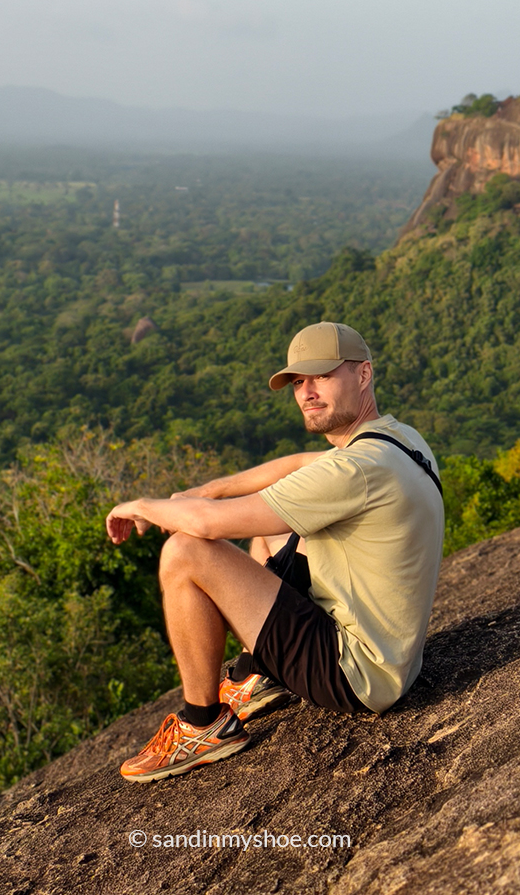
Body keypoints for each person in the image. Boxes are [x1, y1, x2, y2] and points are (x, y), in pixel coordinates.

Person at [106, 321, 444, 783]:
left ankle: (202, 725)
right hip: (387, 656)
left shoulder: (356, 470)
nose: (307, 392)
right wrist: (209, 489)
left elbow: (204, 527)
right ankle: (260, 672)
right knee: (265, 535)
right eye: (298, 382)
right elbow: (295, 466)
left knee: (184, 551)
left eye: (322, 376)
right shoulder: (395, 440)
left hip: (356, 674)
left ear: (364, 374)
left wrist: (144, 506)